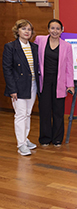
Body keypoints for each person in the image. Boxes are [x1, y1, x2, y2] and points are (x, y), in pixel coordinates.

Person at [3, 19, 39, 156]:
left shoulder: (34, 47)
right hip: (18, 87)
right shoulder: (11, 47)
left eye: (29, 29)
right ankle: (21, 145)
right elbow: (7, 69)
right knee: (20, 115)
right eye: (23, 29)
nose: (27, 32)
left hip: (32, 85)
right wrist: (12, 89)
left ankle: (25, 138)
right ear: (17, 31)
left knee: (27, 114)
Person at [35, 19, 74, 147]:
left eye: (58, 28)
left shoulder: (66, 46)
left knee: (58, 111)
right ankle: (45, 138)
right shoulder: (39, 40)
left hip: (60, 83)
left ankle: (57, 139)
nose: (55, 31)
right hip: (44, 82)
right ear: (48, 29)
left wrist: (70, 84)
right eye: (52, 28)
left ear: (62, 30)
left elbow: (69, 66)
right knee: (45, 111)